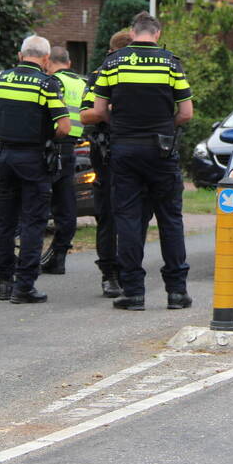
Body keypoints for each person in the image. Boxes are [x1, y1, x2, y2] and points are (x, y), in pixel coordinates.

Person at [86, 12, 193, 311]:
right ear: (157, 33)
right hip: (162, 150)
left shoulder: (113, 62)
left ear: (133, 33)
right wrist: (165, 128)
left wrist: (121, 126)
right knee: (170, 220)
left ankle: (133, 292)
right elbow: (186, 113)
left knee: (129, 220)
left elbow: (99, 110)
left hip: (125, 150)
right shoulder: (171, 63)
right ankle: (176, 292)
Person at [0, 35, 70, 304]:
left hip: (6, 155)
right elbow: (64, 127)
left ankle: (4, 282)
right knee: (33, 221)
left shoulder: (2, 79)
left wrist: (12, 132)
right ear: (46, 59)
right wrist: (45, 136)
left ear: (21, 55)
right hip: (34, 159)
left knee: (6, 221)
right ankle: (24, 286)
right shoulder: (47, 83)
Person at [81, 30, 134, 297]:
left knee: (129, 214)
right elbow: (86, 115)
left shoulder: (138, 73)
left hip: (132, 150)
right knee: (108, 214)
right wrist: (112, 110)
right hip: (106, 151)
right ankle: (110, 273)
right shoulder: (101, 74)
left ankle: (126, 271)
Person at [40, 46, 87, 276]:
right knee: (66, 206)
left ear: (48, 62)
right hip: (71, 150)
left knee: (38, 203)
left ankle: (30, 257)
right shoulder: (82, 83)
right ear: (68, 63)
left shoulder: (52, 82)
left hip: (51, 146)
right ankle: (58, 258)